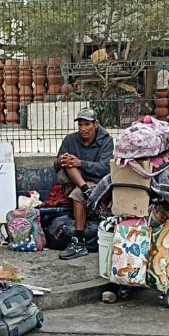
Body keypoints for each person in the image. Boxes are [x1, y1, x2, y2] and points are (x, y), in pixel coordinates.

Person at [54, 108, 114, 260]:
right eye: (80, 125)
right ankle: (86, 190)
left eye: (87, 124)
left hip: (97, 181)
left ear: (96, 124)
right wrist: (61, 161)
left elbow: (105, 168)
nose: (83, 129)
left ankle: (79, 241)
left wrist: (81, 163)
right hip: (74, 180)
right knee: (68, 163)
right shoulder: (70, 139)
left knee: (78, 194)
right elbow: (55, 166)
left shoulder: (107, 141)